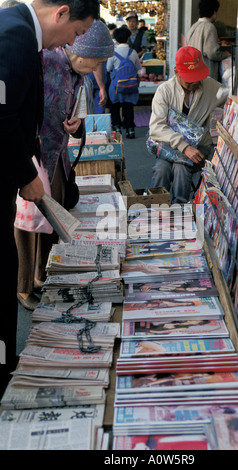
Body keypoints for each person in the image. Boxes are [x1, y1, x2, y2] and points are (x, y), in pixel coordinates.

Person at [0, 0, 99, 397]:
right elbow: (3, 117)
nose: (71, 43)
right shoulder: (16, 34)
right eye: (76, 33)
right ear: (61, 13)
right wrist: (27, 175)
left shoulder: (22, 32)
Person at [14, 20, 114, 311]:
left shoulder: (79, 74)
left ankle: (41, 274)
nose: (97, 68)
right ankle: (22, 286)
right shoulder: (45, 60)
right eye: (96, 62)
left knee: (52, 214)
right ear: (82, 51)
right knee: (27, 221)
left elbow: (79, 113)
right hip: (30, 152)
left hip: (57, 154)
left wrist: (78, 125)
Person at [149, 46, 228, 203]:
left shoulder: (211, 87)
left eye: (196, 78)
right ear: (176, 72)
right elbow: (156, 127)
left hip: (199, 147)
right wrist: (183, 145)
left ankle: (182, 209)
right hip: (170, 147)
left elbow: (230, 99)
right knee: (161, 169)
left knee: (181, 168)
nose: (193, 83)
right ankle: (158, 207)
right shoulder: (164, 91)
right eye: (188, 80)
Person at [107, 26, 141, 138]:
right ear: (128, 38)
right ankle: (130, 129)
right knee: (128, 106)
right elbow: (137, 68)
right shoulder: (133, 52)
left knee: (115, 106)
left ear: (115, 39)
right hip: (130, 85)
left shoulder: (113, 52)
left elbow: (108, 68)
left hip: (116, 85)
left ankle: (116, 127)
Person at [186, 0, 231, 81]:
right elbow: (212, 53)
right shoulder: (209, 27)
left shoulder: (194, 26)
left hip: (195, 71)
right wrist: (225, 54)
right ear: (214, 12)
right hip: (206, 74)